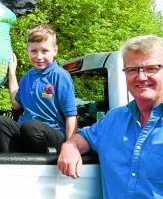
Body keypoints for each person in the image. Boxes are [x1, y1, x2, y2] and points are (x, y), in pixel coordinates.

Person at [57, 35, 163, 198]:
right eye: (132, 69)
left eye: (151, 68)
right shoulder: (113, 120)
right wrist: (70, 146)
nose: (141, 77)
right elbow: (82, 138)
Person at [0, 24, 78, 153]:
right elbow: (16, 104)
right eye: (34, 51)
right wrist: (12, 73)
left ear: (55, 50)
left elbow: (71, 116)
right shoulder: (28, 77)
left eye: (44, 51)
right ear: (27, 51)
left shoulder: (60, 76)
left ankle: (39, 166)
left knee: (31, 127)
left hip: (53, 134)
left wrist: (71, 148)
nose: (39, 56)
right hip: (28, 131)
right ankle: (10, 163)